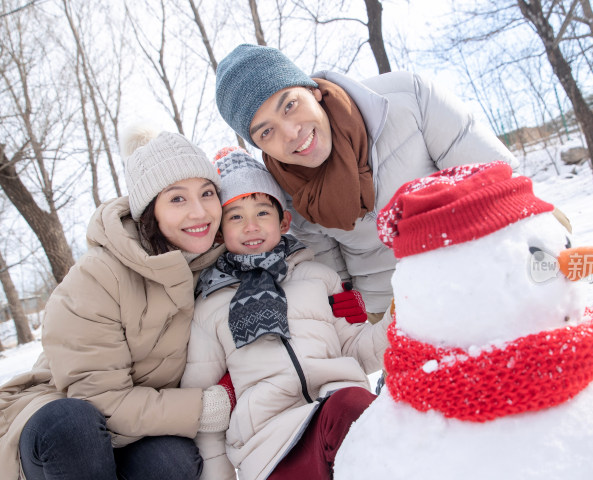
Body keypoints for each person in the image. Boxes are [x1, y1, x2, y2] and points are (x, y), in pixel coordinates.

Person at [0, 125, 241, 480]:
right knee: (73, 426)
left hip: (132, 422)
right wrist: (207, 406)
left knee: (173, 467)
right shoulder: (98, 277)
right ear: (148, 210)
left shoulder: (211, 264)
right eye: (177, 198)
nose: (199, 211)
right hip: (56, 420)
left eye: (207, 193)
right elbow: (98, 398)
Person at [214, 43, 519, 320]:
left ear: (312, 90)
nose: (291, 133)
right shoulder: (285, 192)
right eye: (266, 132)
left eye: (290, 105)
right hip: (394, 315)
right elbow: (336, 276)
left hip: (479, 277)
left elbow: (496, 182)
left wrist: (536, 243)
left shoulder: (407, 98)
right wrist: (366, 326)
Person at [181, 147, 393, 480]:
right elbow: (205, 413)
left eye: (262, 212)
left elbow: (358, 350)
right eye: (235, 216)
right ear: (219, 229)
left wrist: (399, 320)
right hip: (269, 445)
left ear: (283, 221)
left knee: (353, 407)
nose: (251, 226)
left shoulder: (319, 277)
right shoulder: (209, 308)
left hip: (335, 407)